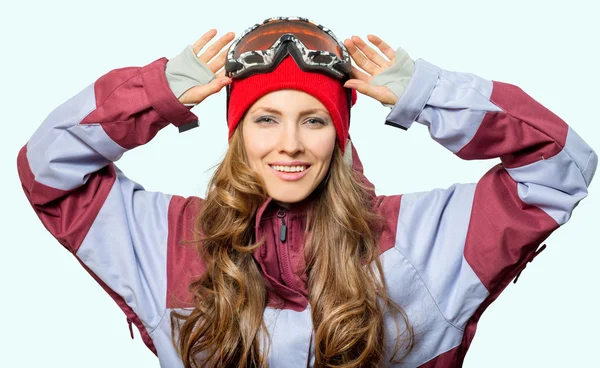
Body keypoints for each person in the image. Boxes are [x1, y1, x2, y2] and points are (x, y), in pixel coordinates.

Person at [16, 16, 596, 368]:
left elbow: (561, 164)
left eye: (314, 120)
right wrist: (150, 96)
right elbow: (49, 171)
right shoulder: (166, 240)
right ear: (237, 132)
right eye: (265, 119)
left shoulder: (427, 239)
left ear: (340, 134)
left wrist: (432, 95)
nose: (289, 144)